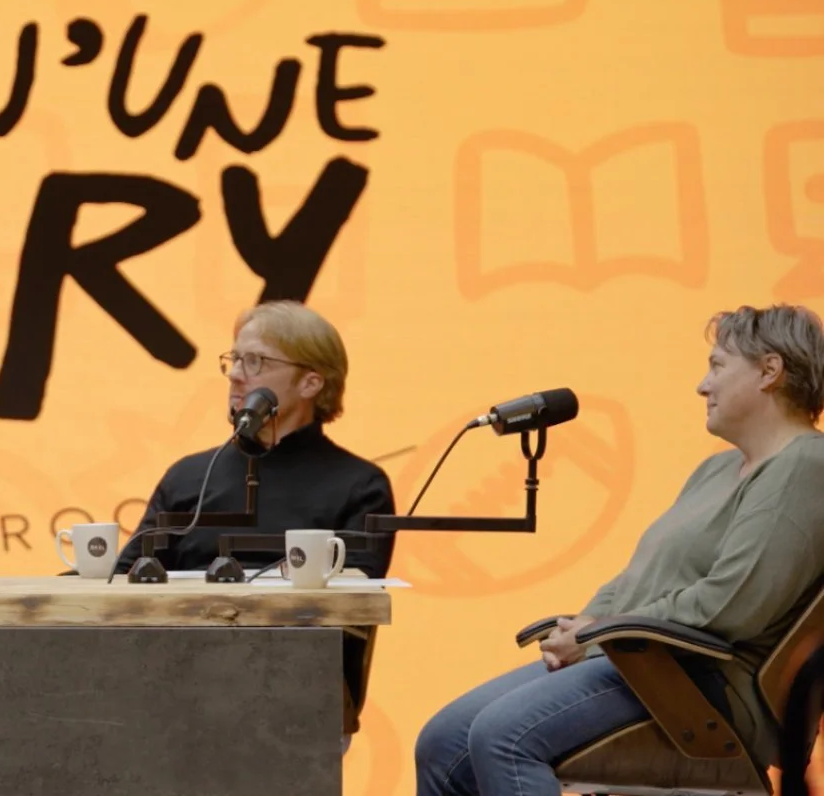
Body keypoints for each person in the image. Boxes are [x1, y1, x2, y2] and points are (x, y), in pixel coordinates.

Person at [414, 304, 824, 796]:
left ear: (769, 372)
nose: (702, 385)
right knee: (441, 742)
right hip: (635, 657)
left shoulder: (805, 465)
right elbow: (639, 579)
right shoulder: (715, 470)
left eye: (717, 367)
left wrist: (595, 635)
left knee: (504, 737)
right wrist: (584, 626)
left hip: (698, 682)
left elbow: (732, 604)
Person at [114, 300, 397, 578]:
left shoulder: (360, 486)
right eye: (235, 359)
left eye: (255, 362)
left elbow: (357, 601)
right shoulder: (188, 477)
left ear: (310, 383)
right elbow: (125, 578)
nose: (235, 375)